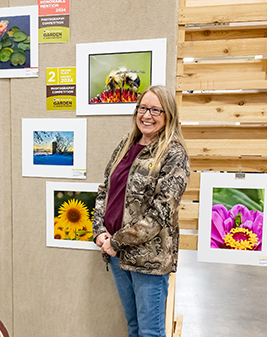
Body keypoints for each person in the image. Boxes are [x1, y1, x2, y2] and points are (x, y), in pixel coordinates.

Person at [93, 85, 190, 337]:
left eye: (155, 110)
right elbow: (105, 189)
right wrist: (100, 231)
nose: (147, 115)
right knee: (134, 326)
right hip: (115, 254)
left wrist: (116, 241)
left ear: (168, 114)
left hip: (149, 260)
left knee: (150, 332)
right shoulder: (126, 144)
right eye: (142, 108)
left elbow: (161, 213)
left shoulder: (174, 154)